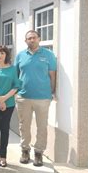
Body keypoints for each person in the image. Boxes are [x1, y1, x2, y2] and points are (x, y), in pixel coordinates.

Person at [15, 30, 57, 166]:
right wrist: (16, 92)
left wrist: (52, 92)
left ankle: (39, 153)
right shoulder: (20, 55)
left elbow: (52, 75)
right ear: (25, 41)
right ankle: (25, 151)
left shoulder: (49, 55)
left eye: (34, 38)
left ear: (39, 39)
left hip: (43, 98)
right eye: (29, 38)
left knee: (42, 127)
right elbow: (16, 75)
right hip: (23, 97)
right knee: (24, 126)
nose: (31, 40)